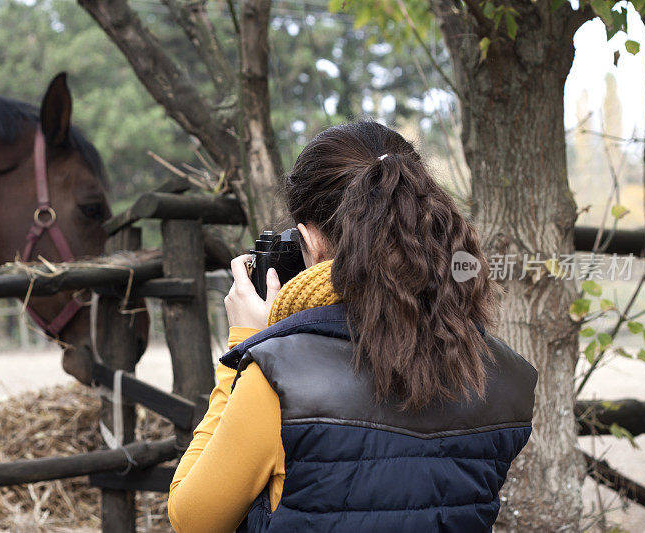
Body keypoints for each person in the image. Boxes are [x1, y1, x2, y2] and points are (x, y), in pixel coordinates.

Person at [167, 121, 537, 532]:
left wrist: (249, 347)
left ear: (311, 241)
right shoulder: (508, 375)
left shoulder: (278, 378)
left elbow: (192, 520)